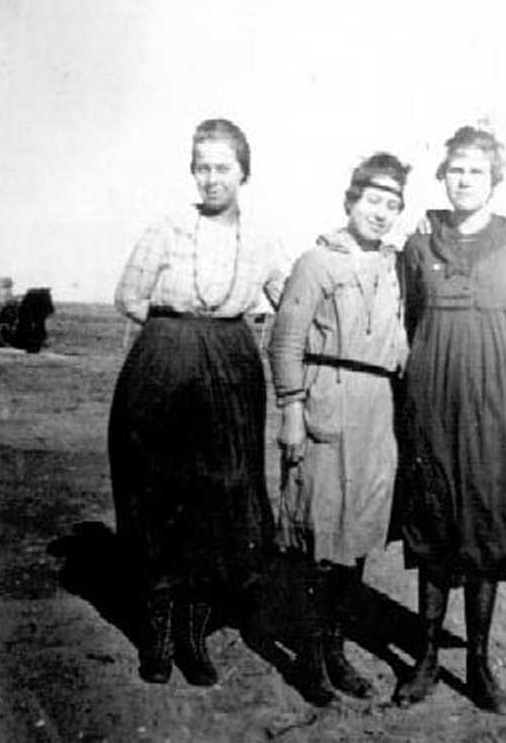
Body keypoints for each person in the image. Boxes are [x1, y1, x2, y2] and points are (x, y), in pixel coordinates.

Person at [390, 125, 506, 713]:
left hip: (495, 409)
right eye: (456, 170)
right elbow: (409, 320)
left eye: (476, 171)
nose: (465, 180)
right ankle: (424, 660)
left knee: (486, 528)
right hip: (432, 403)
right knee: (434, 523)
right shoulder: (419, 244)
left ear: (494, 180)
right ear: (442, 177)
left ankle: (478, 664)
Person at [109, 118, 288, 685]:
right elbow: (128, 296)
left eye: (223, 168)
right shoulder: (165, 229)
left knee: (220, 498)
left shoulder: (262, 240)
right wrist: (176, 336)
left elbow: (292, 299)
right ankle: (158, 635)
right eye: (202, 167)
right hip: (164, 363)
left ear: (244, 173)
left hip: (231, 369)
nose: (211, 179)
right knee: (157, 492)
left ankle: (194, 635)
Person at [268, 153, 410, 704]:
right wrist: (291, 410)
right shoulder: (317, 262)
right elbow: (286, 340)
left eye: (392, 204)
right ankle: (307, 658)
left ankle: (334, 650)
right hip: (327, 399)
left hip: (377, 410)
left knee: (358, 536)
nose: (381, 212)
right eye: (372, 200)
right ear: (350, 201)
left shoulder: (393, 268)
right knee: (319, 534)